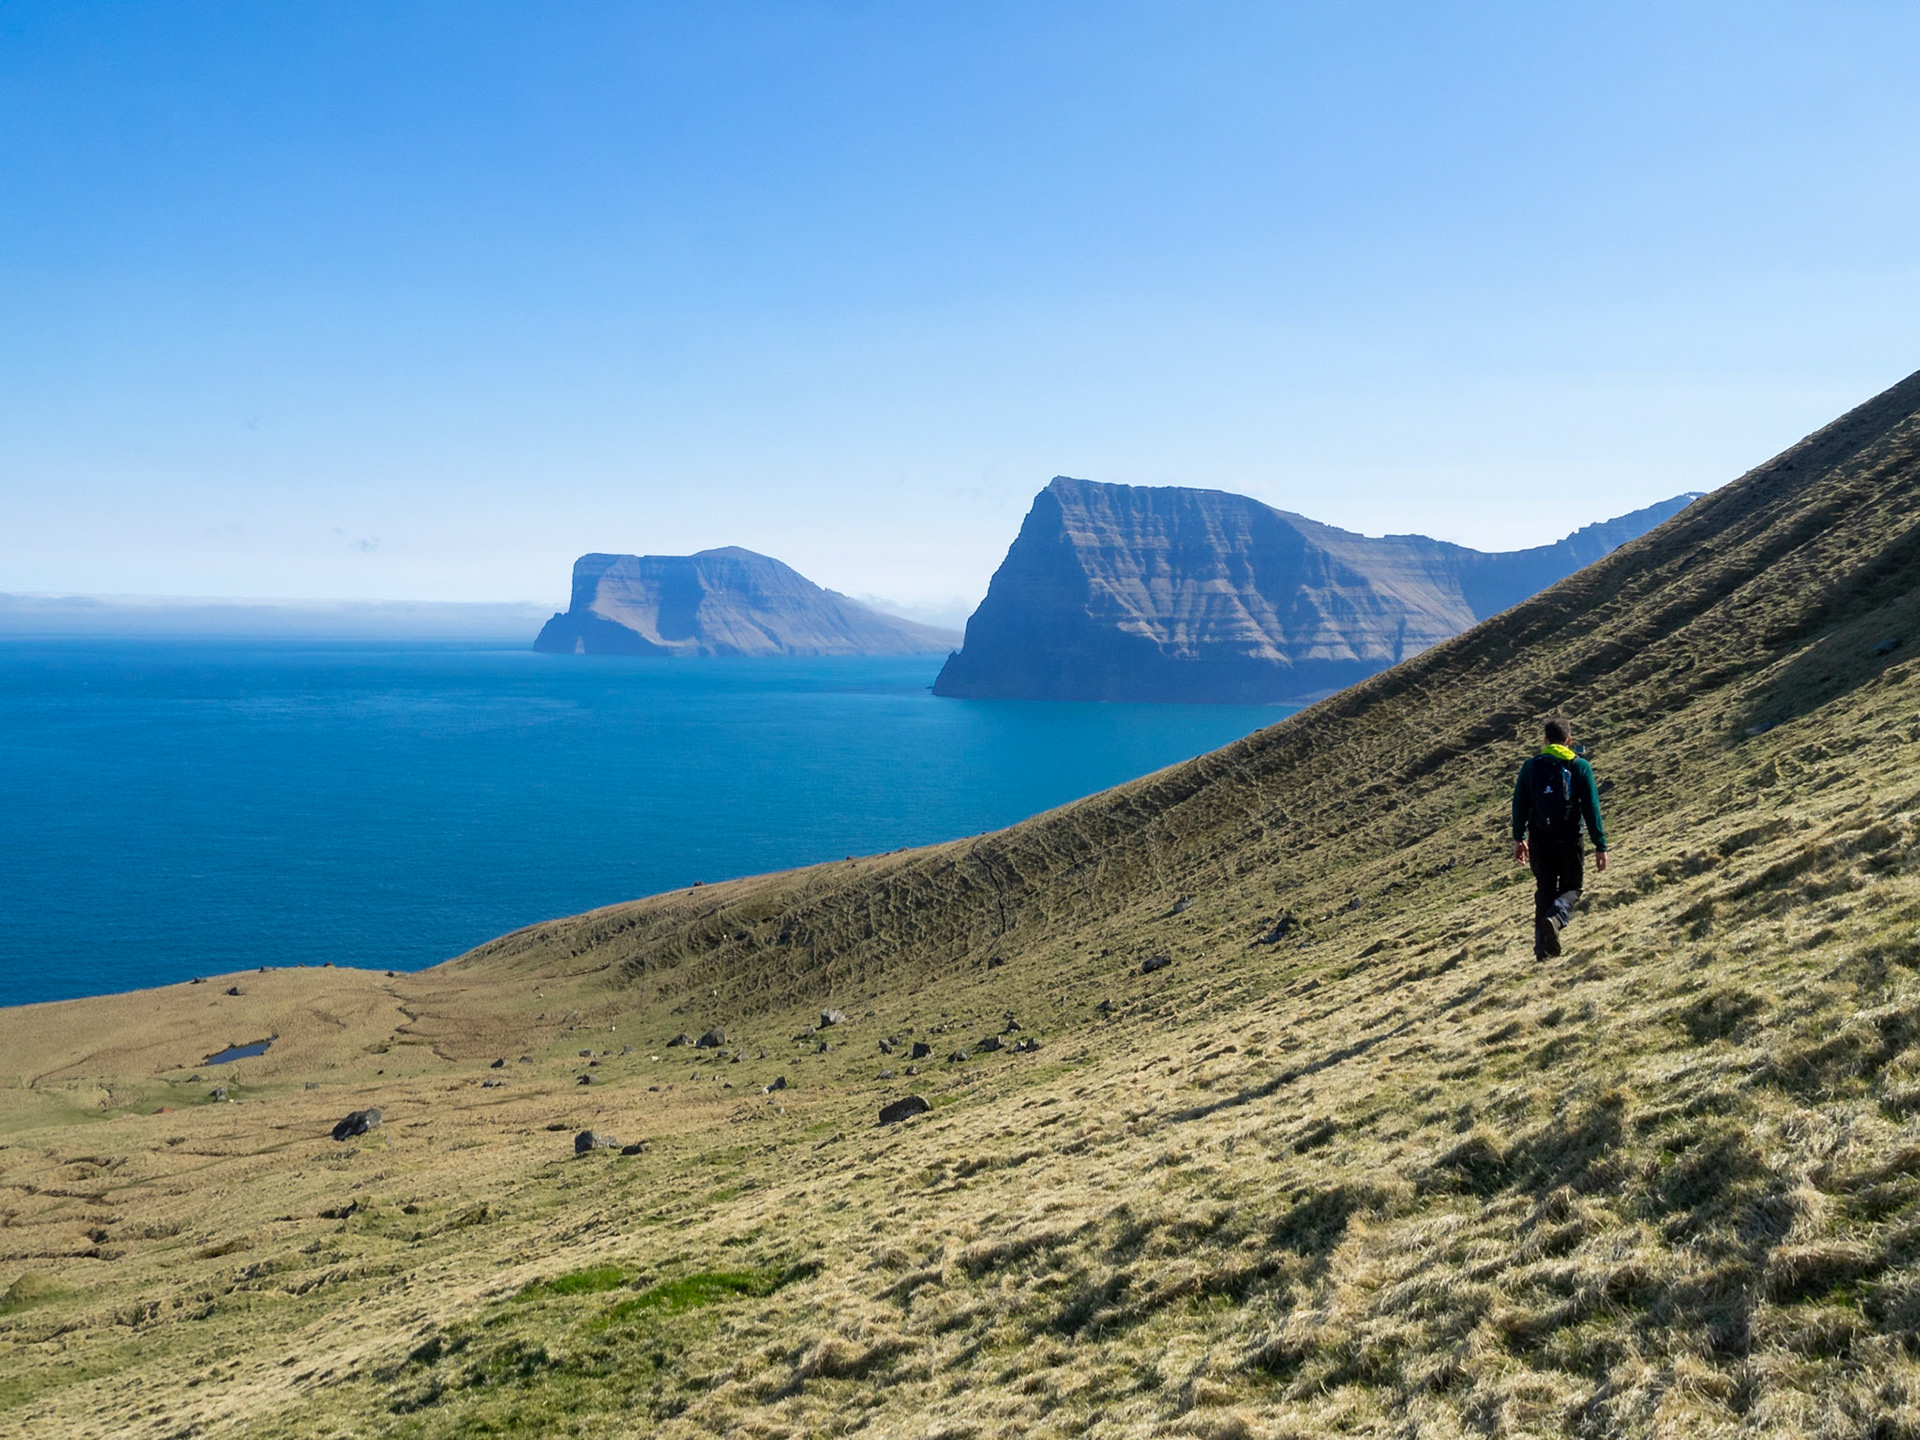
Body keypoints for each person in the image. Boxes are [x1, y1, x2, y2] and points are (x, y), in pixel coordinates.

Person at [1511, 716, 1608, 959]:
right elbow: (1591, 808)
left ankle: (1542, 950)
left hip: (1540, 840)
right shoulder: (1579, 766)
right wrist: (1600, 845)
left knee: (1544, 890)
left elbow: (1519, 804)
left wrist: (1518, 837)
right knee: (1572, 888)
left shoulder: (1531, 767)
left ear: (1545, 741)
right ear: (1569, 740)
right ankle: (1555, 919)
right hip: (1570, 840)